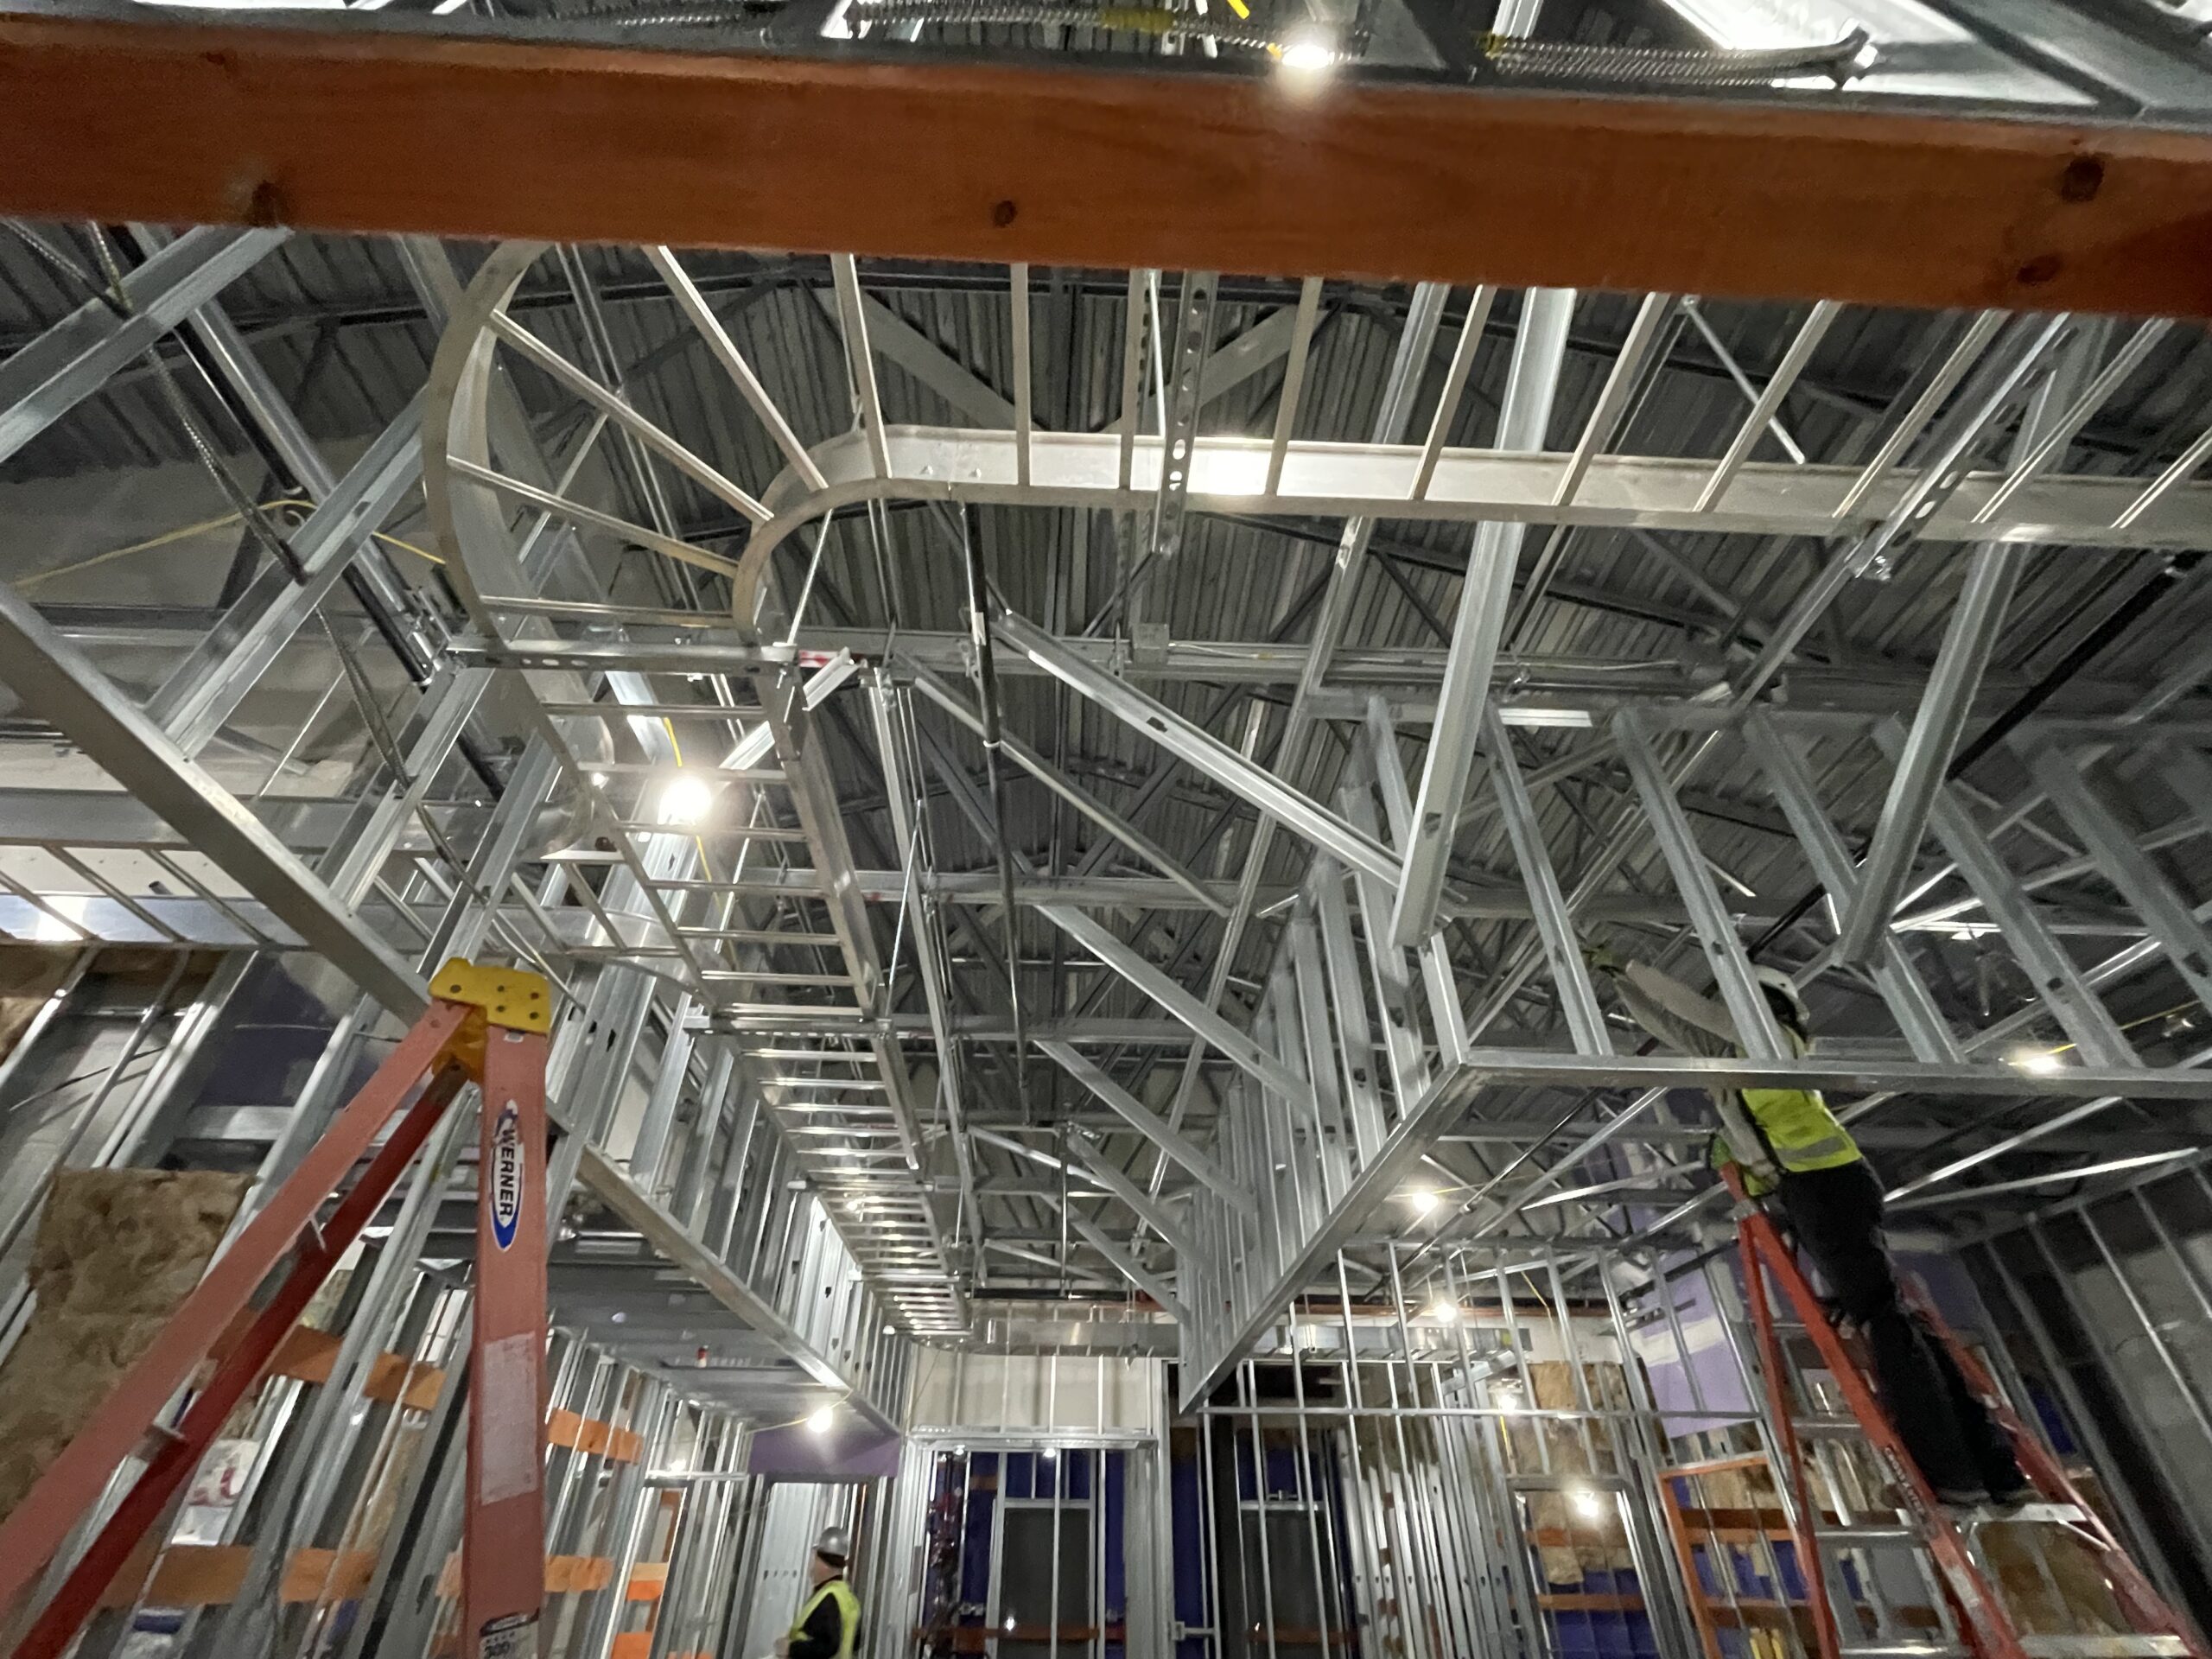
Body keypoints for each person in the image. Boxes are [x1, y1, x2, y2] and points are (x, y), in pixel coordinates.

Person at [1586, 944, 2031, 1510]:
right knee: (1889, 1319)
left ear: (1769, 1006)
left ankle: (1954, 1472)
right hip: (1814, 1190)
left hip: (1830, 1184)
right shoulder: (1738, 1058)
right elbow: (1674, 1026)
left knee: (1886, 1324)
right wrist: (1617, 981)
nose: (1734, 1013)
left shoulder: (1775, 1041)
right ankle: (1993, 1469)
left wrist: (1633, 964)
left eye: (1743, 1004)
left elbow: (1698, 1012)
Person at [775, 1525, 861, 1659]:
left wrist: (791, 1649)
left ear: (824, 1564)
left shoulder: (829, 1598)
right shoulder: (849, 1600)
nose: (812, 1566)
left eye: (815, 1559)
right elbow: (854, 1642)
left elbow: (828, 1646)